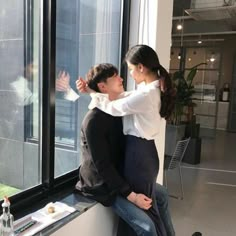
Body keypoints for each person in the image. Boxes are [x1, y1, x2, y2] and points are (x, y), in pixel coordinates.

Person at [77, 45, 176, 236]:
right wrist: (131, 196)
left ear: (141, 67)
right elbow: (102, 166)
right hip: (106, 183)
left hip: (132, 166)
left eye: (129, 70)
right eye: (117, 76)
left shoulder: (140, 97)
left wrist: (92, 92)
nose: (125, 77)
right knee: (150, 222)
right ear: (104, 86)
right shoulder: (94, 120)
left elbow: (120, 101)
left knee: (157, 203)